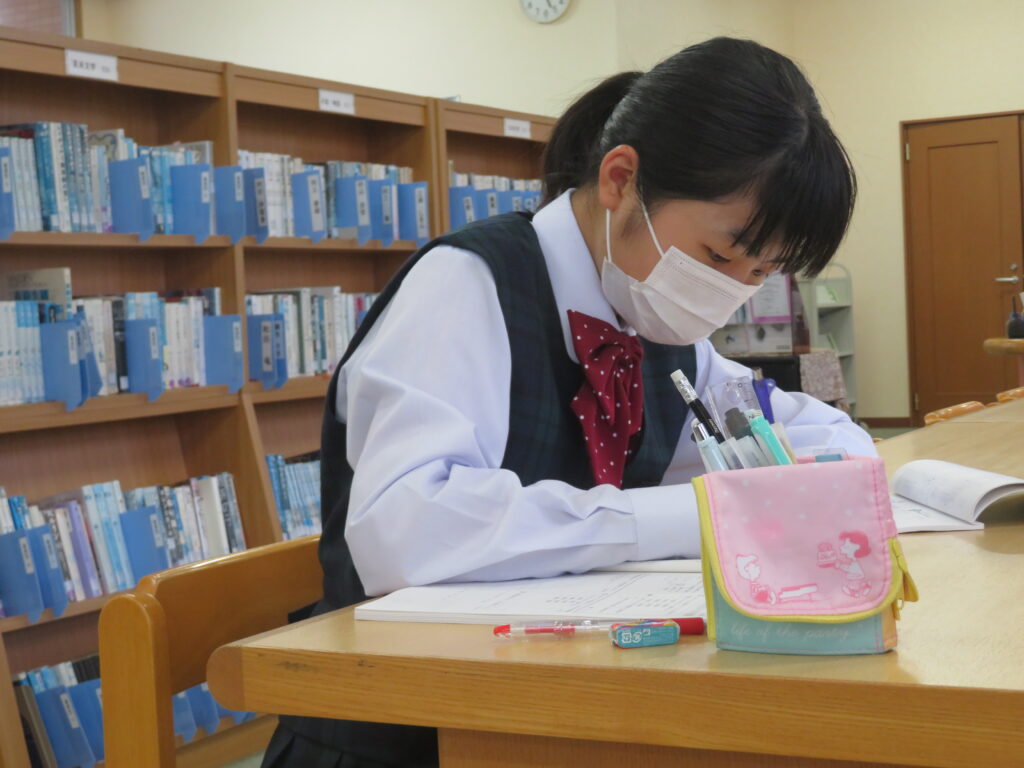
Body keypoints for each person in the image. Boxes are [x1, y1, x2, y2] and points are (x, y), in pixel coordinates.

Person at [261, 36, 870, 768]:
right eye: (719, 256)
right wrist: (690, 514)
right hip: (402, 728)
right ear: (621, 180)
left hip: (556, 713)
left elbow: (811, 431)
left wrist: (820, 473)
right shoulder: (466, 284)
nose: (729, 292)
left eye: (760, 274)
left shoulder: (654, 315)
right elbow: (407, 532)